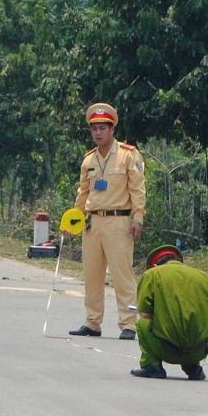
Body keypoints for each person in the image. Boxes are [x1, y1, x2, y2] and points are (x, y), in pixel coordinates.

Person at [68, 103, 145, 340]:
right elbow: (83, 193)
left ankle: (129, 323)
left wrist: (138, 218)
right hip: (93, 223)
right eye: (94, 129)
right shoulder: (88, 160)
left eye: (102, 128)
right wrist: (74, 219)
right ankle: (92, 322)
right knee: (92, 275)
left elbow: (138, 189)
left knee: (122, 275)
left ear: (112, 129)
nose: (98, 133)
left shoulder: (128, 155)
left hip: (118, 220)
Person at [131, 246, 208, 380]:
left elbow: (145, 314)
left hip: (167, 350)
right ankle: (193, 367)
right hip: (199, 351)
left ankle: (152, 366)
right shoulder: (203, 276)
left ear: (155, 265)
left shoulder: (153, 274)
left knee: (142, 323)